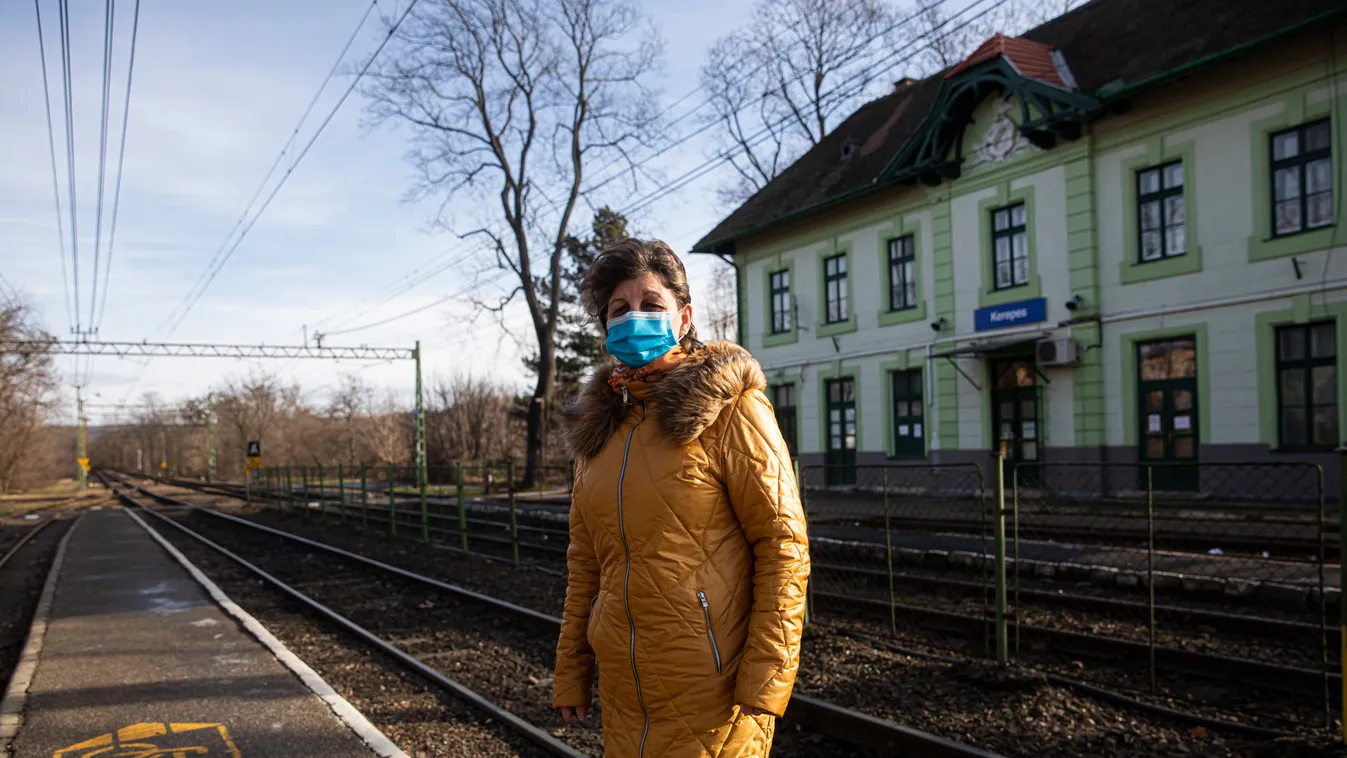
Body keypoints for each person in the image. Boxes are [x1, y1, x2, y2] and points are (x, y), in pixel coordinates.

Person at [552, 238, 810, 758]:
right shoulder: (599, 434)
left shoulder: (731, 410)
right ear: (605, 328)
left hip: (713, 691)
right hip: (624, 691)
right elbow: (586, 565)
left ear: (684, 316)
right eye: (619, 309)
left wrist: (768, 677)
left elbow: (783, 545)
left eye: (652, 305)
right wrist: (572, 669)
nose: (634, 318)